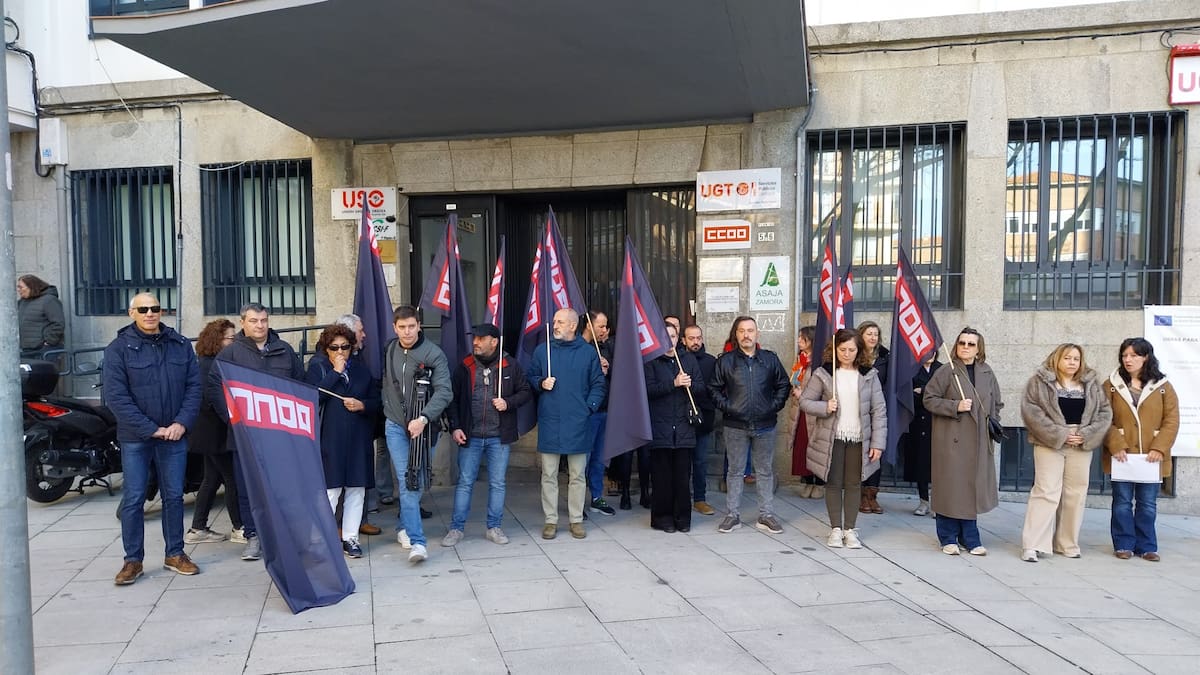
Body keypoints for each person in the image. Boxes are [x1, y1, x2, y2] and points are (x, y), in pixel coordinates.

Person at [105, 294, 202, 585]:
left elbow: (194, 387)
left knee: (174, 496)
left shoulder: (180, 344)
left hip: (174, 435)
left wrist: (181, 423)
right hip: (137, 437)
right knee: (134, 498)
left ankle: (175, 553)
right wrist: (151, 429)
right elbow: (116, 398)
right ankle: (132, 561)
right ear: (132, 312)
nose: (150, 314)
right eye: (143, 309)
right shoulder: (118, 349)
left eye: (155, 308)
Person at [209, 302, 304, 562]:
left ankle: (283, 534)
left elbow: (299, 382)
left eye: (263, 320)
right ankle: (253, 535)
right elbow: (215, 387)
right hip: (245, 436)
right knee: (247, 486)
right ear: (243, 323)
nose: (259, 325)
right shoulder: (230, 354)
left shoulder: (284, 350)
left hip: (280, 434)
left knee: (283, 486)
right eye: (253, 321)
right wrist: (231, 420)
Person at [1019, 344, 1112, 562]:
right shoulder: (1039, 382)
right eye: (1067, 357)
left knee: (1076, 494)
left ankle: (1066, 543)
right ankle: (1032, 545)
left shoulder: (1091, 385)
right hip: (1049, 443)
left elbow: (1104, 412)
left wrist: (1087, 434)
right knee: (1046, 491)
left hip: (1081, 443)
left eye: (1076, 359)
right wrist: (1060, 434)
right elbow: (1031, 412)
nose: (1072, 362)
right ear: (1057, 359)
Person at [443, 323, 532, 546]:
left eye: (481, 339)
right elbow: (451, 399)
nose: (476, 342)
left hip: (498, 437)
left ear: (494, 342)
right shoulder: (465, 366)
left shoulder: (509, 365)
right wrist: (455, 426)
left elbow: (526, 392)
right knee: (464, 482)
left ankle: (494, 527)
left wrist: (508, 403)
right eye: (475, 338)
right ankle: (456, 529)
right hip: (470, 435)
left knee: (498, 483)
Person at [800, 329, 886, 549]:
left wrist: (878, 443)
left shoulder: (869, 374)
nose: (847, 354)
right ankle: (836, 529)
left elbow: (879, 411)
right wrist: (825, 406)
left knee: (854, 483)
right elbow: (805, 402)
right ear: (835, 350)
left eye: (852, 350)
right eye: (843, 349)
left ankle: (850, 529)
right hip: (833, 437)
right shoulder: (824, 373)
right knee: (834, 482)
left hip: (859, 438)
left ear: (859, 351)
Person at [526, 308, 607, 540]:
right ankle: (550, 520)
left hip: (578, 420)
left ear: (573, 326)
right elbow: (530, 378)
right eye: (554, 321)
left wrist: (588, 407)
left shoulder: (588, 353)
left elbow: (598, 385)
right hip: (551, 419)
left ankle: (576, 520)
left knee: (577, 475)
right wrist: (541, 383)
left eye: (560, 322)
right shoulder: (544, 351)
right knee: (549, 474)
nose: (555, 325)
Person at [381, 305, 452, 563]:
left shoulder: (433, 353)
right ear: (394, 327)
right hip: (395, 426)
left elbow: (445, 391)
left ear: (419, 325)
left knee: (417, 481)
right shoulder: (390, 348)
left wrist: (423, 418)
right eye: (402, 327)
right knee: (408, 478)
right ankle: (418, 543)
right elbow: (387, 383)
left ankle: (403, 525)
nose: (407, 331)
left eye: (412, 326)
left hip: (425, 427)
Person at [923, 327, 1003, 556]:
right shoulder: (947, 371)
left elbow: (996, 402)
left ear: (979, 350)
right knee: (951, 488)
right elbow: (929, 399)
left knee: (970, 489)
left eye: (971, 344)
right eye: (962, 343)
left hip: (978, 441)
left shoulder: (987, 372)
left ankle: (969, 537)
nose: (965, 347)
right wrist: (954, 406)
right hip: (951, 440)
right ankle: (947, 536)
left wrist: (993, 420)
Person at [709, 316, 790, 534]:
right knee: (735, 471)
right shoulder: (725, 361)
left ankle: (766, 515)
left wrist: (772, 406)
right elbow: (713, 389)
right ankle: (732, 515)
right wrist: (729, 407)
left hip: (765, 424)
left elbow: (783, 384)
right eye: (742, 331)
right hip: (735, 425)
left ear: (757, 334)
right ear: (736, 334)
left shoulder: (770, 359)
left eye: (750, 330)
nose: (746, 335)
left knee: (764, 471)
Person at [306, 324, 381, 559]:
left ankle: (350, 538)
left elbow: (377, 401)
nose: (340, 351)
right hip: (331, 438)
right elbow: (312, 396)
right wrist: (335, 373)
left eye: (345, 347)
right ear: (326, 349)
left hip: (358, 437)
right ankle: (322, 539)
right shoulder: (318, 368)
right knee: (331, 491)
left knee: (356, 490)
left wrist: (363, 405)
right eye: (334, 347)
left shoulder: (361, 370)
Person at [1104, 337, 1179, 562]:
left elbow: (1172, 420)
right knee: (1122, 503)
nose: (1128, 360)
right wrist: (1116, 444)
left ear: (1146, 357)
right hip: (1122, 456)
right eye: (1125, 355)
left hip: (1151, 457)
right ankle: (1124, 544)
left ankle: (1147, 546)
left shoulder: (1163, 386)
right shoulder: (1111, 385)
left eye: (1134, 355)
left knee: (1147, 504)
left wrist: (1160, 447)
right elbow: (1102, 417)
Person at [184, 319, 242, 545]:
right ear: (217, 340)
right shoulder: (211, 365)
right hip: (214, 432)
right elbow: (214, 400)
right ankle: (239, 527)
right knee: (232, 479)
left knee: (211, 479)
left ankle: (198, 528)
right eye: (231, 338)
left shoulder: (209, 362)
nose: (234, 342)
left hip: (209, 431)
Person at [644, 323, 704, 533]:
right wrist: (673, 383)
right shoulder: (651, 361)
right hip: (660, 428)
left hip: (683, 429)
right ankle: (663, 518)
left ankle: (683, 519)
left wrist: (690, 384)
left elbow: (701, 387)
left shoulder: (687, 359)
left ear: (679, 339)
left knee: (681, 478)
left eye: (673, 336)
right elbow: (648, 390)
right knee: (662, 479)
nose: (670, 340)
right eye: (665, 336)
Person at [334, 313, 383, 538]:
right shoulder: (321, 363)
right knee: (337, 485)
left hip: (360, 429)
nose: (364, 334)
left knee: (358, 480)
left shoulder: (359, 360)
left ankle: (358, 522)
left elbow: (373, 397)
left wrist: (363, 405)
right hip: (336, 434)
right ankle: (337, 526)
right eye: (360, 330)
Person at [580, 310, 617, 516]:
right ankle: (578, 502)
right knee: (582, 460)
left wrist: (608, 368)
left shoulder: (607, 348)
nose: (605, 330)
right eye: (601, 326)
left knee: (600, 458)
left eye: (605, 326)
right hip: (588, 412)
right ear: (588, 326)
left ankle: (596, 497)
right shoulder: (578, 348)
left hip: (606, 410)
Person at [682, 324, 718, 515]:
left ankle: (700, 498)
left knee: (700, 460)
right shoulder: (679, 360)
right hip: (681, 420)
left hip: (703, 418)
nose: (695, 342)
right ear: (684, 340)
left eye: (698, 338)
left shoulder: (711, 362)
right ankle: (682, 496)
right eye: (691, 338)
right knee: (682, 461)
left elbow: (715, 388)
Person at [856, 320, 890, 514]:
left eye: (876, 334)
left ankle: (872, 496)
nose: (873, 337)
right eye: (869, 333)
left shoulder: (886, 356)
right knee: (860, 454)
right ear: (861, 335)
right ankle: (861, 495)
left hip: (878, 411)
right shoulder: (854, 356)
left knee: (876, 453)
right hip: (859, 411)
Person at [901, 354, 941, 516]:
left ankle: (939, 504)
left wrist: (923, 390)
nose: (929, 354)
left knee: (939, 465)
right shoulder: (912, 370)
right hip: (917, 422)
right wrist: (929, 395)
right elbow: (908, 396)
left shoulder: (942, 369)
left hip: (938, 422)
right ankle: (924, 501)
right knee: (921, 463)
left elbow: (943, 395)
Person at [787, 326, 822, 498]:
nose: (799, 340)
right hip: (799, 410)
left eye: (803, 338)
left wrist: (804, 395)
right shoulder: (800, 359)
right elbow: (794, 380)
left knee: (816, 446)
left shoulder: (819, 362)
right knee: (802, 446)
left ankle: (819, 483)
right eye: (799, 337)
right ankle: (807, 481)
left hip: (813, 411)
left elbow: (822, 388)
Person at [17, 274, 65, 359]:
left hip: (45, 349)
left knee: (44, 372)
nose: (19, 290)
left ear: (31, 287)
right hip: (27, 350)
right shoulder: (22, 302)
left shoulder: (49, 300)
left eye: (21, 287)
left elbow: (58, 323)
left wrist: (49, 341)